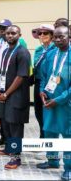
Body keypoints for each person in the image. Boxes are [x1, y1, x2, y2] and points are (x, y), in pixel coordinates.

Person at [0, 25, 31, 170]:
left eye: (13, 33)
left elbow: (21, 76)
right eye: (8, 33)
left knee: (15, 126)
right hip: (4, 94)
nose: (10, 36)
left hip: (16, 96)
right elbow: (3, 73)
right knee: (6, 123)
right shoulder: (5, 51)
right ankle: (9, 148)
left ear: (19, 35)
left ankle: (16, 157)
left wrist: (6, 93)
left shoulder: (23, 52)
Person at [37, 26, 71, 181]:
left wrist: (58, 100)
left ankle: (68, 169)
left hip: (65, 104)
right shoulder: (50, 54)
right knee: (50, 131)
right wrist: (42, 91)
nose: (58, 40)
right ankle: (52, 161)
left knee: (67, 135)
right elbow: (44, 76)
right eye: (56, 37)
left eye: (61, 37)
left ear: (69, 36)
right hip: (48, 102)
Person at [32, 24, 55, 139]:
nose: (42, 35)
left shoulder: (55, 49)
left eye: (45, 33)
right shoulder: (38, 50)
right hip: (38, 82)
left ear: (52, 35)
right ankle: (42, 136)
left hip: (51, 84)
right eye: (40, 33)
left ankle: (47, 140)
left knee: (48, 113)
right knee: (38, 112)